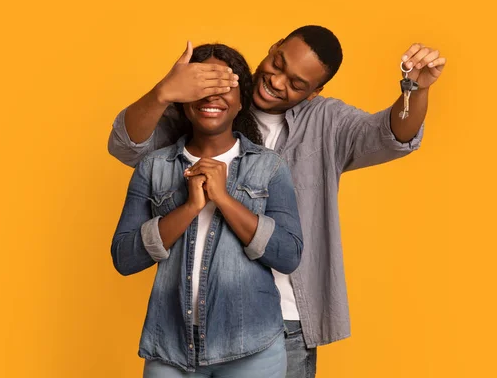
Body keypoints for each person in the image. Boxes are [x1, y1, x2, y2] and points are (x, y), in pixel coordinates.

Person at [108, 25, 446, 378]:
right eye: (277, 62)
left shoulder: (326, 123)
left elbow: (392, 135)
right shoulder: (211, 106)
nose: (277, 81)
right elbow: (127, 145)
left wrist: (414, 89)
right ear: (273, 48)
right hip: (196, 320)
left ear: (315, 92)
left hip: (286, 321)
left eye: (297, 84)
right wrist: (163, 93)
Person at [111, 43, 303, 377]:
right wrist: (189, 208)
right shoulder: (154, 167)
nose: (212, 96)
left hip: (252, 348)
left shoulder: (269, 167)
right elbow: (124, 258)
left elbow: (288, 254)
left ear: (241, 99)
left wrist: (225, 199)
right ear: (183, 98)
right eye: (201, 86)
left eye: (224, 86)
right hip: (171, 348)